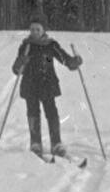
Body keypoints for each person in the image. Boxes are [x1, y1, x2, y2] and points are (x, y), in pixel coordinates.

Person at [12, 15, 82, 158]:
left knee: (51, 112)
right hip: (30, 84)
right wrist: (21, 61)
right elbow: (16, 69)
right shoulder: (26, 46)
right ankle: (35, 143)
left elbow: (64, 59)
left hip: (47, 83)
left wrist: (73, 62)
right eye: (32, 29)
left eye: (38, 29)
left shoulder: (51, 45)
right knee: (33, 112)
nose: (35, 32)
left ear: (43, 30)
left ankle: (56, 144)